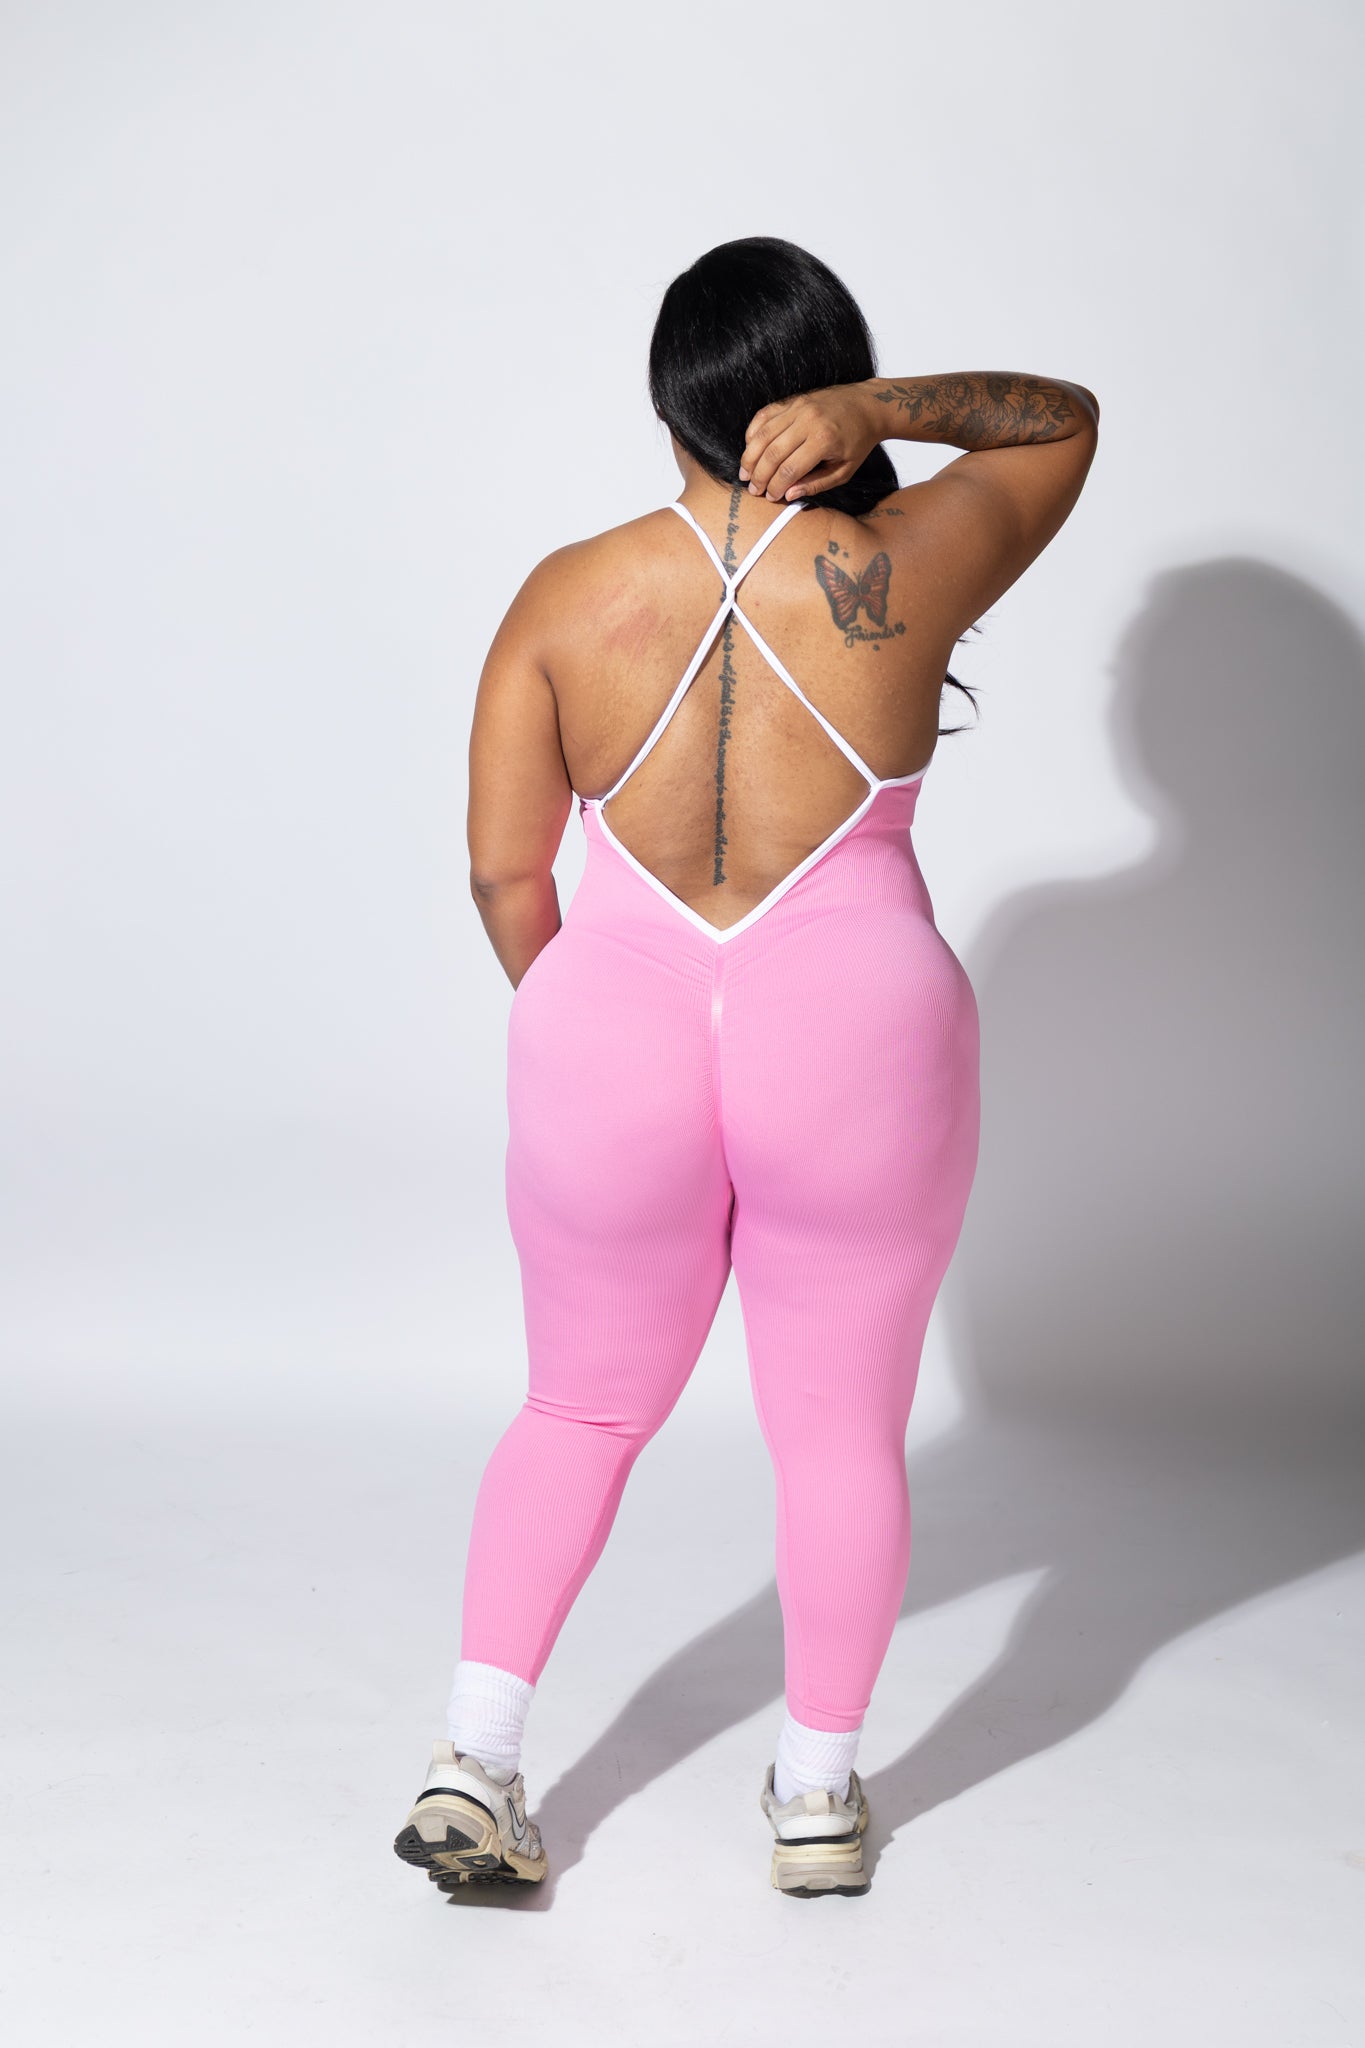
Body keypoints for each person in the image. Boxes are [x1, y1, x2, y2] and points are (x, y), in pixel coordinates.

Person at [393, 236, 1099, 1899]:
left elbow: (503, 872)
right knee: (838, 1431)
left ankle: (475, 1761)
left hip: (610, 1026)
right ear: (821, 390)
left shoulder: (567, 594)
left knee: (574, 1404)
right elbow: (1061, 419)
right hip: (855, 1027)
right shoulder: (903, 562)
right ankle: (817, 1797)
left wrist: (596, 1033)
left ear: (669, 402)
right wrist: (884, 411)